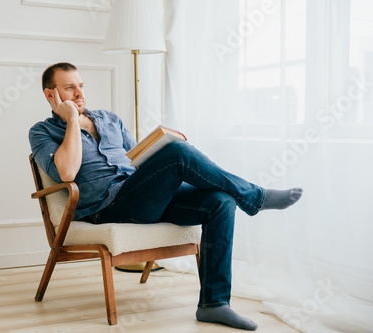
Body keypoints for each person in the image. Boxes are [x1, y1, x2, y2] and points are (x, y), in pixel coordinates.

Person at [29, 62, 303, 331]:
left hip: (143, 195)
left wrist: (160, 147)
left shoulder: (110, 119)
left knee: (220, 201)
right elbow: (66, 171)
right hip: (109, 207)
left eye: (81, 86)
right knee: (179, 154)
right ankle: (255, 197)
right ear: (50, 94)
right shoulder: (42, 132)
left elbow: (136, 159)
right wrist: (73, 120)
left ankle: (214, 304)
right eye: (69, 88)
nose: (79, 93)